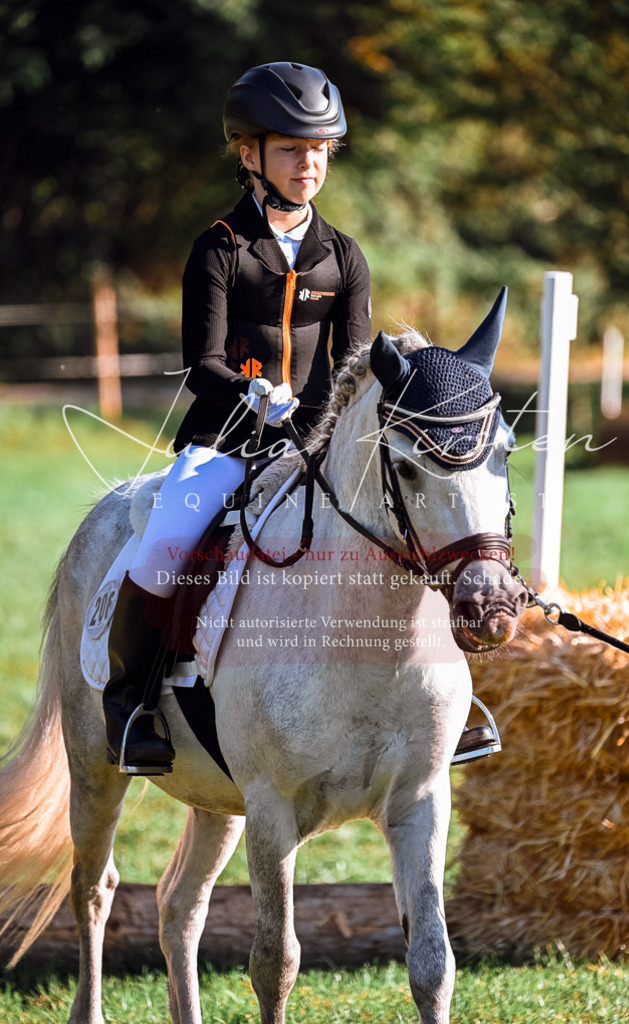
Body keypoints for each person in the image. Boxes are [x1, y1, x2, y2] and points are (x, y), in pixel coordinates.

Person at [102, 61, 372, 775]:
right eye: (290, 148)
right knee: (165, 545)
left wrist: (333, 421)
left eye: (318, 150)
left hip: (316, 447)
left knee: (405, 530)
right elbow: (204, 362)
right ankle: (132, 704)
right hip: (227, 438)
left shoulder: (343, 257)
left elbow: (356, 365)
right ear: (247, 154)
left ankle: (436, 703)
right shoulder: (219, 248)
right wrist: (254, 393)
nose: (307, 163)